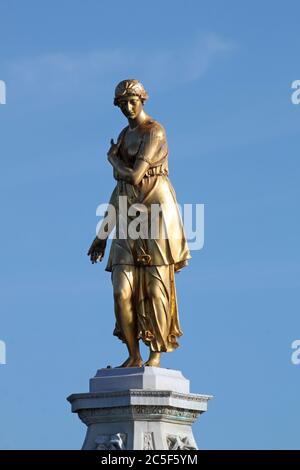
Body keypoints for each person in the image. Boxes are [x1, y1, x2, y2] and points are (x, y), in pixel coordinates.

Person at [88, 79, 191, 367]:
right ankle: (133, 355)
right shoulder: (124, 135)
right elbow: (121, 190)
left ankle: (155, 353)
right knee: (122, 290)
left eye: (132, 102)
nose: (128, 108)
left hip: (157, 215)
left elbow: (133, 176)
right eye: (122, 104)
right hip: (129, 217)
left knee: (155, 288)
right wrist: (102, 234)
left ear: (143, 100)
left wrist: (112, 161)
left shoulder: (154, 132)